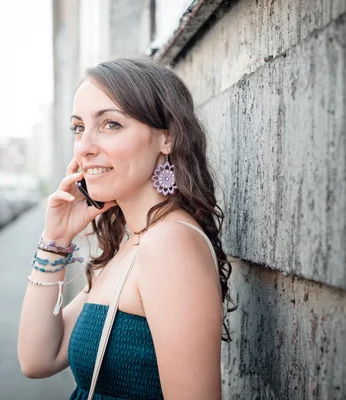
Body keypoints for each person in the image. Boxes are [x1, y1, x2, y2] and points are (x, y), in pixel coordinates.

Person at [18, 57, 233, 400]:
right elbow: (38, 358)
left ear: (168, 138)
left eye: (110, 124)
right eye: (78, 127)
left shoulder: (169, 244)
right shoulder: (134, 241)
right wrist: (55, 240)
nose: (85, 146)